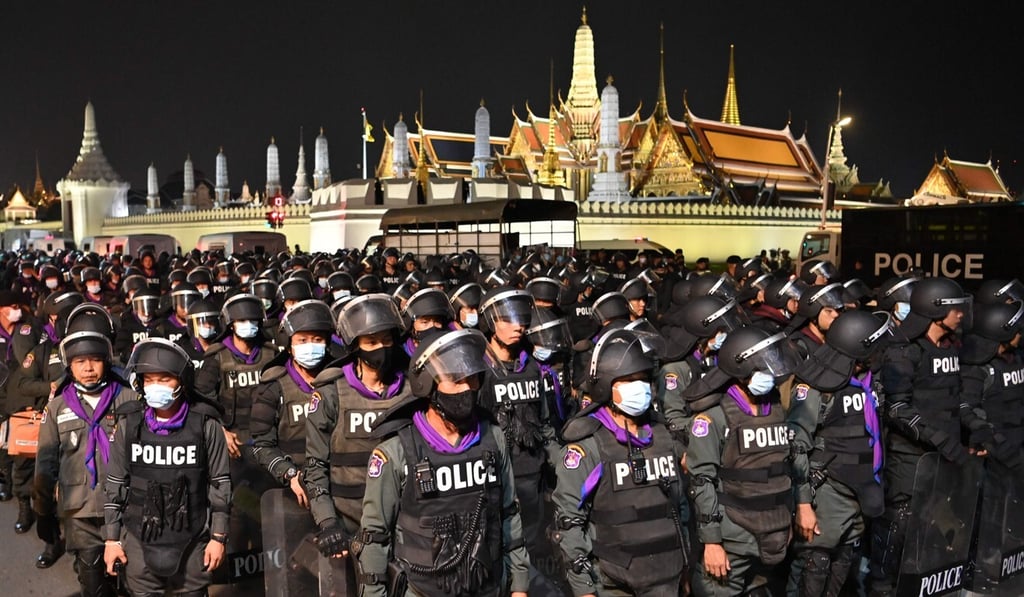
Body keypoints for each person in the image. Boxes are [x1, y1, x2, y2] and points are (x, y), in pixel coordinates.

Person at [354, 328, 530, 597]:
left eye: (472, 380)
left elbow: (508, 513)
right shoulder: (395, 452)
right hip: (421, 589)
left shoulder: (494, 438)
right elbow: (375, 535)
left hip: (489, 587)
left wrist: (519, 585)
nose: (467, 389)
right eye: (455, 380)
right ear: (428, 384)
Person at [552, 327, 689, 596]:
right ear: (606, 385)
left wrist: (685, 566)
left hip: (667, 577)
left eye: (643, 379)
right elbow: (568, 523)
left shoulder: (663, 437)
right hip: (614, 583)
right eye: (628, 380)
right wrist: (584, 590)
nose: (639, 387)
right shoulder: (588, 446)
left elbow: (679, 507)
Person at [870, 277, 979, 595]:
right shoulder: (904, 352)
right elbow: (897, 408)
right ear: (935, 312)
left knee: (936, 538)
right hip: (910, 464)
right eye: (955, 309)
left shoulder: (949, 349)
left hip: (944, 461)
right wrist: (940, 439)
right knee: (897, 534)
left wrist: (977, 429)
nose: (961, 315)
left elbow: (955, 397)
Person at [102, 338, 231, 596]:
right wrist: (112, 539)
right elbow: (115, 485)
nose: (155, 387)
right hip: (140, 539)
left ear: (181, 382)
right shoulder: (129, 424)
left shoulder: (206, 425)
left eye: (164, 379)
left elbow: (221, 484)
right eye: (149, 380)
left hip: (193, 540)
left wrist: (218, 537)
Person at [303, 293, 412, 592]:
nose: (382, 348)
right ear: (355, 346)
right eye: (371, 342)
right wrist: (327, 522)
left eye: (387, 339)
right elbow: (315, 465)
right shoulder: (331, 393)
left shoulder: (414, 389)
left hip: (407, 523)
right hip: (349, 526)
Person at [681, 326, 801, 596]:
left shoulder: (776, 408)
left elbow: (785, 469)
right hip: (731, 540)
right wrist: (712, 542)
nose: (770, 373)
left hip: (773, 534)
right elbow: (702, 483)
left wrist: (787, 518)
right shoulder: (714, 417)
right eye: (763, 366)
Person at [786, 310, 892, 596]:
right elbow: (796, 447)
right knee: (813, 567)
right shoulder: (815, 388)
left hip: (858, 492)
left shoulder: (868, 382)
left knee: (843, 566)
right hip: (826, 495)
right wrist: (803, 504)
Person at [33, 305, 136, 589]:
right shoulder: (56, 407)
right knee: (92, 585)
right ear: (68, 364)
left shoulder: (128, 398)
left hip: (125, 510)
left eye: (94, 360)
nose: (88, 368)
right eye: (79, 362)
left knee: (130, 583)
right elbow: (45, 464)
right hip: (79, 514)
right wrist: (42, 511)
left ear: (106, 359)